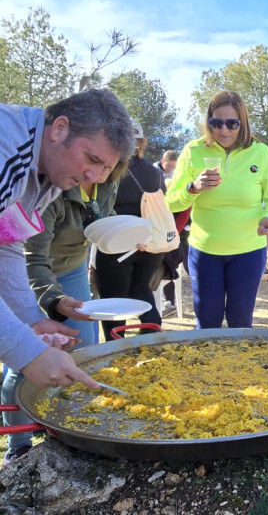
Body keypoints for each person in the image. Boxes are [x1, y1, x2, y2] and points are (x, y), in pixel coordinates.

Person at [0, 90, 134, 463]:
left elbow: (6, 243)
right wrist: (26, 353)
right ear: (59, 128)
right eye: (91, 159)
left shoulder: (48, 174)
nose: (93, 176)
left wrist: (32, 319)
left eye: (106, 169)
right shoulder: (5, 148)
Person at [165, 90, 268, 329]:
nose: (224, 130)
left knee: (240, 322)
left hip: (248, 251)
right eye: (216, 123)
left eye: (232, 124)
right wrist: (193, 188)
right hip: (205, 251)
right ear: (208, 122)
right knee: (207, 322)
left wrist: (267, 217)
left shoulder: (260, 152)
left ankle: (237, 367)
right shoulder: (193, 150)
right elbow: (171, 202)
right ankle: (206, 367)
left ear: (243, 123)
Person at [26, 161, 127, 346]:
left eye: (108, 167)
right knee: (34, 348)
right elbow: (33, 257)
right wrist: (55, 299)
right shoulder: (50, 187)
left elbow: (100, 214)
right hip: (33, 270)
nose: (98, 174)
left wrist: (125, 233)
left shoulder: (111, 180)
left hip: (74, 265)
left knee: (83, 342)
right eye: (95, 161)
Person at [94, 121, 166, 341]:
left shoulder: (110, 169)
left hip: (116, 240)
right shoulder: (154, 172)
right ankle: (153, 340)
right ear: (141, 143)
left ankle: (115, 348)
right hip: (149, 241)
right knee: (140, 289)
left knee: (113, 301)